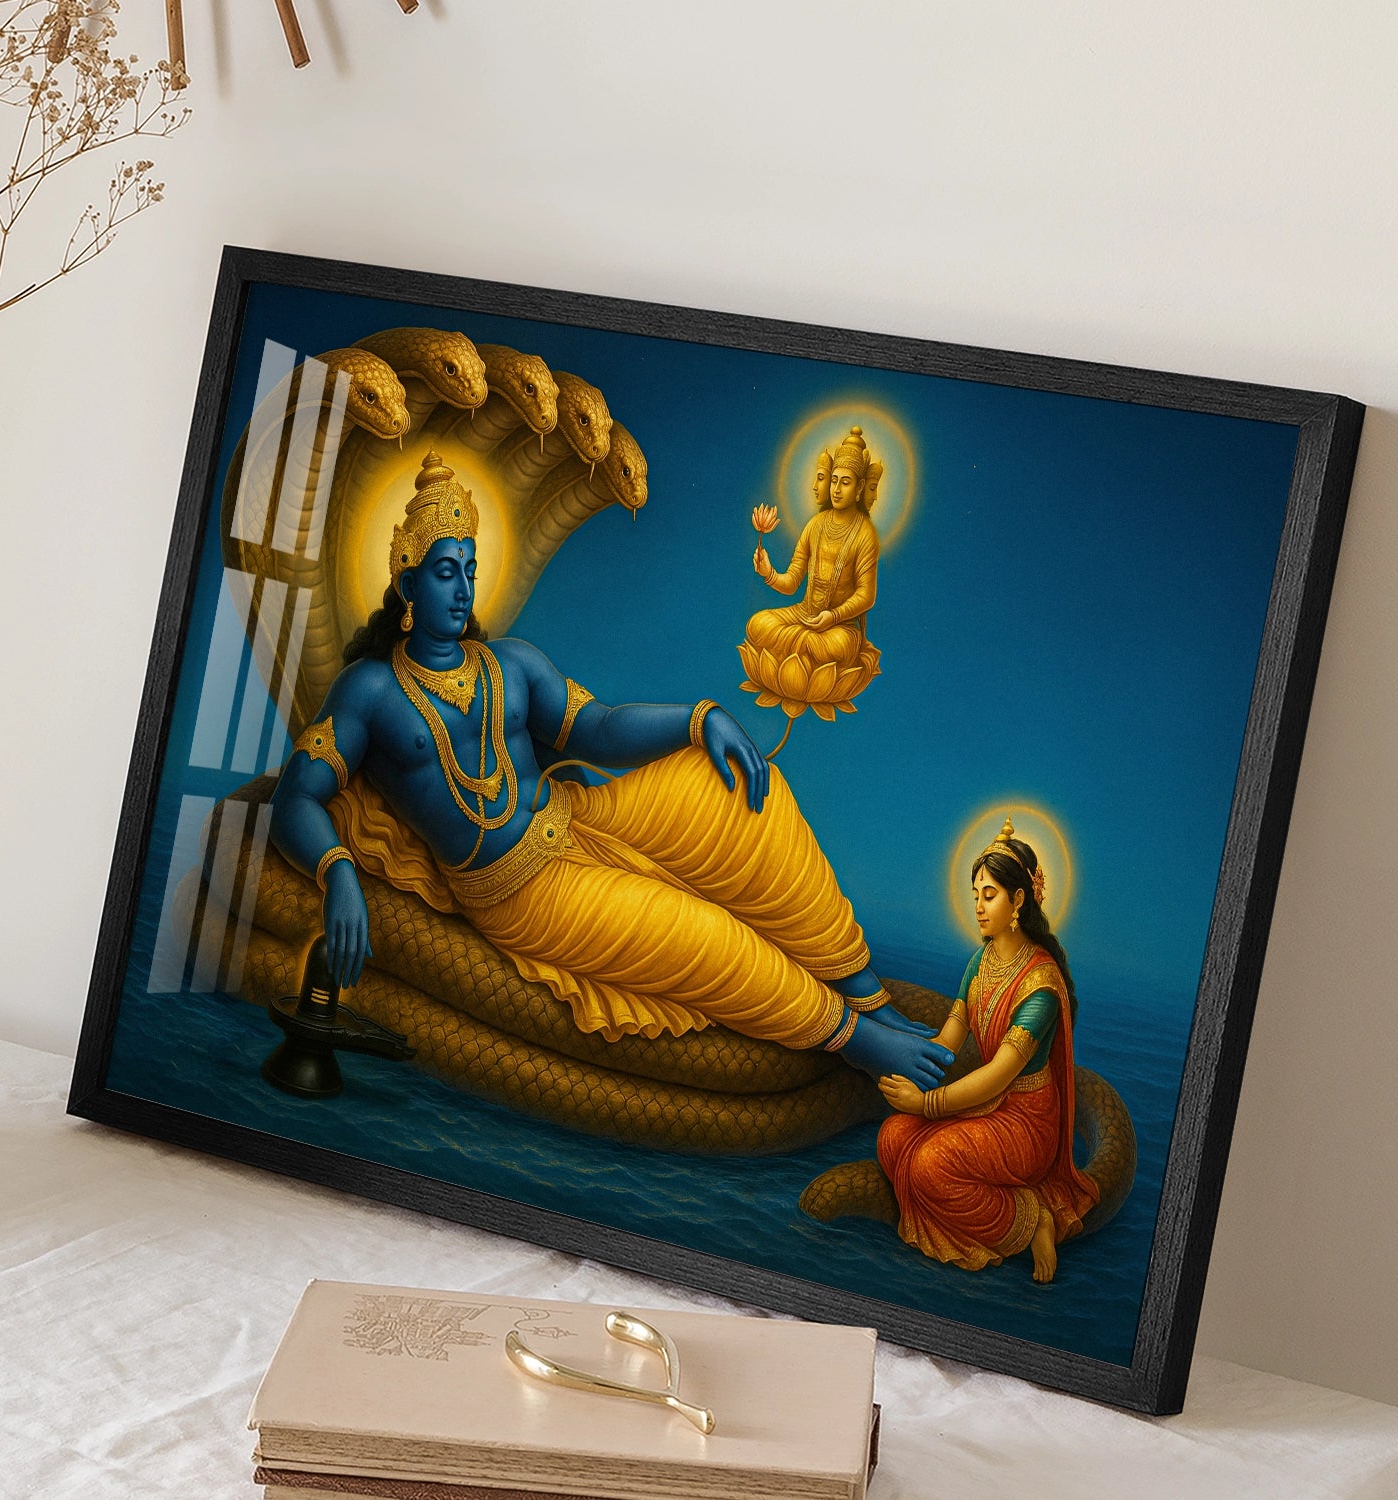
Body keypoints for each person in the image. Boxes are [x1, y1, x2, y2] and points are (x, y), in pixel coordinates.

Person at [270, 451, 952, 1087]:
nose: (462, 590)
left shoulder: (511, 662)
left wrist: (699, 718)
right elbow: (298, 796)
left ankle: (863, 990)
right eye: (446, 571)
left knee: (738, 793)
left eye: (470, 570)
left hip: (578, 820)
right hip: (519, 891)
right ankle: (854, 1039)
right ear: (407, 581)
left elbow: (598, 729)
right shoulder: (370, 690)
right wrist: (337, 873)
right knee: (702, 933)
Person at [876, 820, 1099, 1283]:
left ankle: (1031, 1217)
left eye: (989, 895)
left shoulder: (1040, 984)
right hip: (985, 1105)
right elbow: (948, 1041)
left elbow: (999, 1074)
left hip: (1026, 1121)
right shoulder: (981, 961)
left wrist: (926, 1104)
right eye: (975, 893)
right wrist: (890, 1051)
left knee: (931, 1166)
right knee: (893, 1137)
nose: (977, 906)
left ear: (1018, 900)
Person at [746, 426, 881, 672]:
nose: (836, 490)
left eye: (846, 483)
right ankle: (800, 652)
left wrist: (834, 616)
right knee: (756, 625)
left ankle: (795, 655)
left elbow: (866, 595)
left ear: (860, 487)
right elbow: (792, 582)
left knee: (833, 647)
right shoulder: (815, 525)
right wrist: (769, 573)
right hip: (804, 613)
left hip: (840, 626)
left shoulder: (865, 533)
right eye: (834, 481)